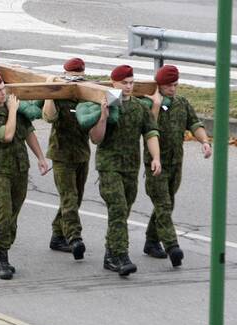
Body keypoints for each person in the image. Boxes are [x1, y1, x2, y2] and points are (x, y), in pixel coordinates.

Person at [0, 70, 50, 280]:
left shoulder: (14, 108)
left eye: (4, 89)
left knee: (13, 214)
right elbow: (7, 135)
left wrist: (40, 157)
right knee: (2, 214)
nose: (3, 93)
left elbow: (27, 132)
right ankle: (1, 257)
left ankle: (3, 246)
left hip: (20, 169)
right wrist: (12, 111)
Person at [90, 64, 162, 277]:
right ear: (114, 83)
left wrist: (156, 158)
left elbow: (150, 133)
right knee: (119, 207)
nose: (129, 87)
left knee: (123, 210)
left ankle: (110, 254)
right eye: (124, 83)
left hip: (130, 167)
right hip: (109, 166)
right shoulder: (106, 104)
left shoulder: (139, 108)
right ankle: (121, 256)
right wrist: (103, 116)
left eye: (131, 83)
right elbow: (96, 138)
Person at [141, 64, 211, 267]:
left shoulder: (181, 103)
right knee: (163, 204)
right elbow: (147, 127)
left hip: (175, 163)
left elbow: (194, 124)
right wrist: (155, 105)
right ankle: (172, 246)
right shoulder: (147, 104)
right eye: (168, 85)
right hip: (156, 163)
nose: (173, 88)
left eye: (175, 85)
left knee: (168, 203)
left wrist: (205, 142)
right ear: (159, 85)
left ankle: (151, 241)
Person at [42, 57, 92, 260]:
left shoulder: (86, 94)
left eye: (79, 76)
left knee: (76, 197)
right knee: (69, 197)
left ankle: (57, 234)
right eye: (72, 76)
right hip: (61, 153)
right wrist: (50, 92)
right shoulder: (59, 93)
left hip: (81, 152)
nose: (76, 80)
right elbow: (49, 117)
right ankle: (74, 238)